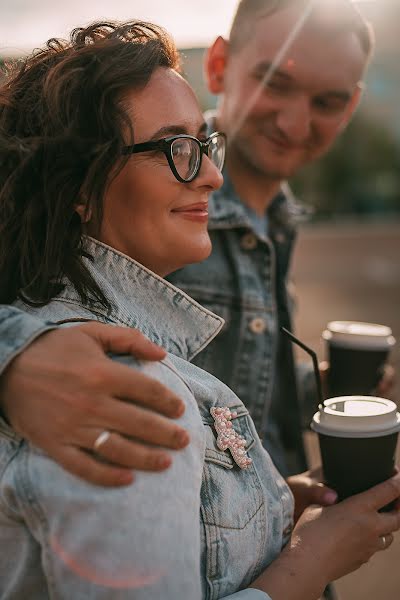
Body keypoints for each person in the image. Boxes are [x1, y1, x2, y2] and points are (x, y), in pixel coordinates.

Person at [0, 20, 399, 600]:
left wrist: (268, 505)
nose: (212, 175)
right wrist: (312, 561)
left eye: (202, 145)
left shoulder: (89, 352)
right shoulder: (110, 388)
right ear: (77, 185)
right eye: (176, 149)